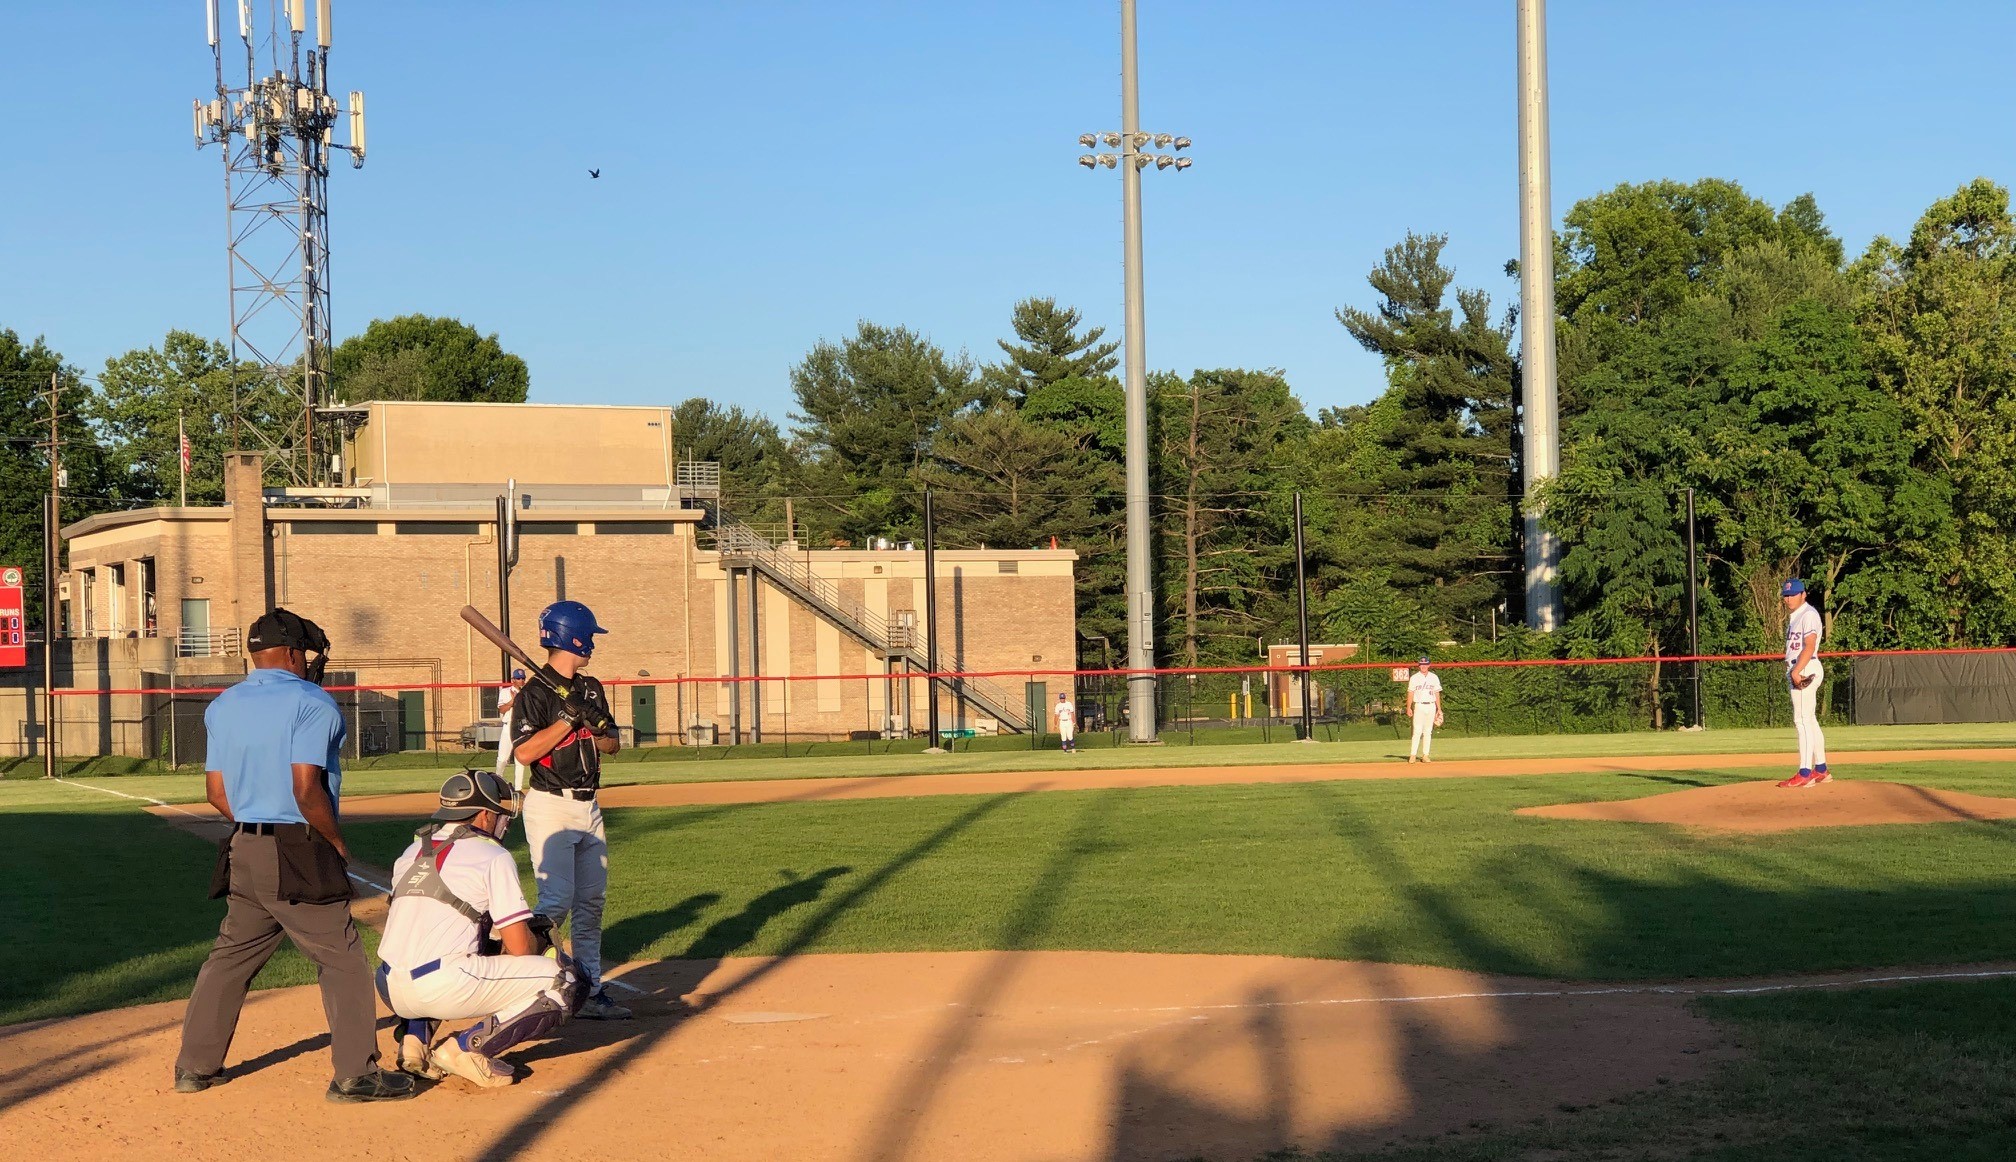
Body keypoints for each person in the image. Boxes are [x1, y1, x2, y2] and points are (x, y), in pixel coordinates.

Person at [174, 608, 415, 1103]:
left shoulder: (223, 704)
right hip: (297, 845)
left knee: (231, 956)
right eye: (304, 653)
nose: (307, 662)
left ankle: (195, 1067)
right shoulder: (313, 702)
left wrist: (256, 821)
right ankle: (356, 1075)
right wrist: (334, 840)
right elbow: (306, 788)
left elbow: (216, 791)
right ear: (290, 653)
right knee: (342, 958)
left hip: (243, 844)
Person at [377, 770, 588, 1088]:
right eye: (500, 810)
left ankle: (414, 1043)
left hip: (388, 985)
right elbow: (518, 947)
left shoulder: (412, 851)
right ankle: (465, 1049)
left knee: (447, 947)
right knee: (568, 979)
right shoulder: (493, 855)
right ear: (485, 814)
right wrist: (538, 944)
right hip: (442, 985)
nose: (504, 818)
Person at [511, 600, 631, 1020]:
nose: (592, 647)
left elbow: (614, 744)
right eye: (589, 638)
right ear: (570, 637)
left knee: (591, 902)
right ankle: (524, 981)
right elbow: (524, 754)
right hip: (550, 807)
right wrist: (565, 720)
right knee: (556, 900)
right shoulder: (534, 694)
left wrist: (595, 724)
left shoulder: (591, 687)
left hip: (590, 806)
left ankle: (592, 990)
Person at [1778, 579, 1830, 789]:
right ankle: (1821, 769)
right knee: (1810, 720)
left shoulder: (1808, 614)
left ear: (1803, 594)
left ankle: (1805, 772)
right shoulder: (1797, 617)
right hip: (1804, 667)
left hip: (1805, 668)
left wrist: (1797, 670)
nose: (1789, 598)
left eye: (1793, 594)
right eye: (1786, 595)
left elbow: (1809, 646)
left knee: (1801, 721)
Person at [495, 669, 528, 790]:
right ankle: (497, 783)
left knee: (520, 758)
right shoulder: (505, 691)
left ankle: (518, 789)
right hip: (509, 725)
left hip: (522, 726)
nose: (521, 680)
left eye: (523, 678)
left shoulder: (527, 692)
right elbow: (502, 710)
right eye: (518, 678)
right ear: (513, 679)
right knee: (503, 758)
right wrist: (513, 701)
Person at [1406, 657, 1443, 764]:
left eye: (1425, 664)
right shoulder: (1414, 678)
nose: (1423, 666)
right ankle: (1413, 755)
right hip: (1419, 705)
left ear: (1429, 665)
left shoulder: (1434, 677)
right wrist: (1408, 707)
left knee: (1428, 732)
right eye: (1421, 664)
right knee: (1417, 731)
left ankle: (1425, 755)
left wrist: (1439, 709)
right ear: (1419, 665)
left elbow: (1437, 693)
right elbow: (1410, 693)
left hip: (1431, 705)